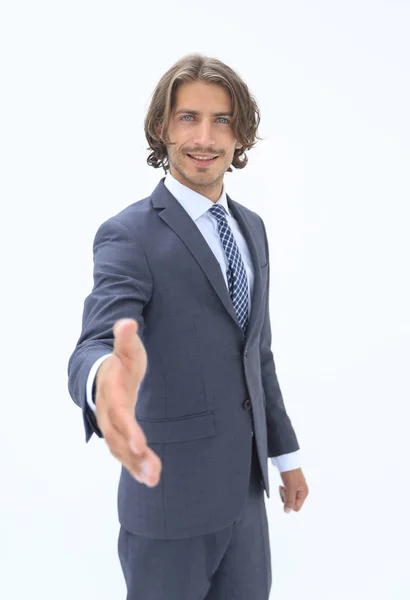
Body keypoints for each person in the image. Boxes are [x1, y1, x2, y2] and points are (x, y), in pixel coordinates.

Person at [67, 52, 309, 599]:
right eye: (188, 117)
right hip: (168, 508)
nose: (205, 136)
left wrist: (285, 457)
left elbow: (256, 353)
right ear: (161, 127)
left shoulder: (252, 229)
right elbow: (98, 340)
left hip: (245, 505)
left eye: (221, 119)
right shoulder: (129, 234)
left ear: (241, 133)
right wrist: (103, 378)